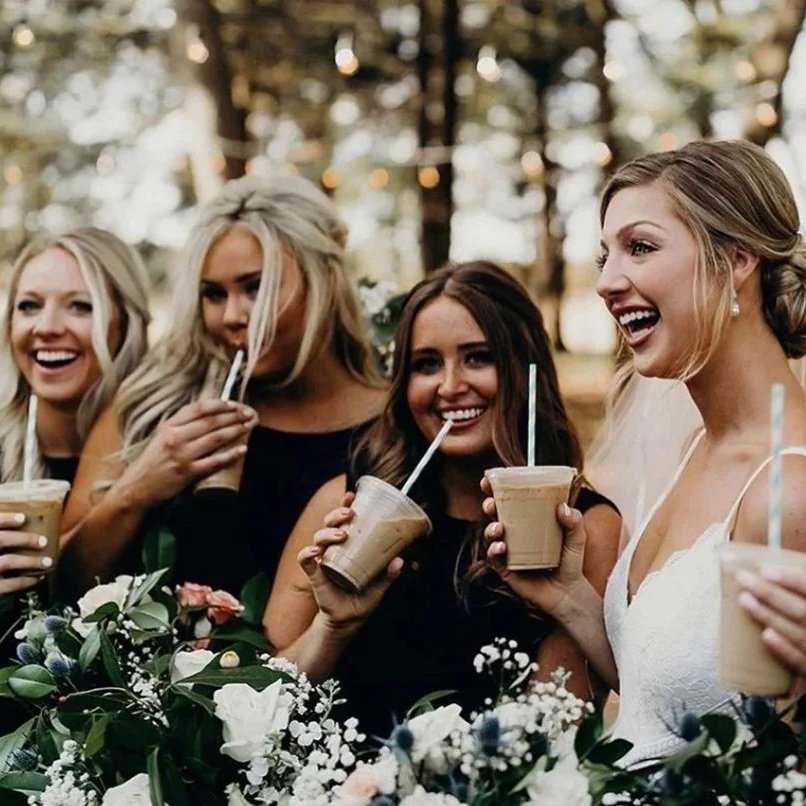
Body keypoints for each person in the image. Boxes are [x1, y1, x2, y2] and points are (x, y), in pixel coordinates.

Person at [483, 140, 806, 766]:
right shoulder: (694, 447)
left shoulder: (787, 488)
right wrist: (569, 597)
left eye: (641, 246)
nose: (606, 283)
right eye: (606, 256)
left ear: (736, 259)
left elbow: (772, 757)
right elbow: (673, 709)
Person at [265, 260, 621, 737]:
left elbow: (549, 730)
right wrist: (331, 628)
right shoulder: (347, 504)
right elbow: (261, 701)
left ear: (522, 368)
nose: (450, 387)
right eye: (426, 364)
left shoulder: (579, 525)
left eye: (478, 357)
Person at [61, 175, 386, 602]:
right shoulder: (159, 403)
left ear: (323, 279)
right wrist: (138, 489)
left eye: (256, 287)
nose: (233, 315)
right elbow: (61, 584)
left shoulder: (397, 419)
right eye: (214, 295)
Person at [0, 227, 150, 598]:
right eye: (29, 306)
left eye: (81, 306)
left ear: (126, 325)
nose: (47, 328)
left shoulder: (162, 459)